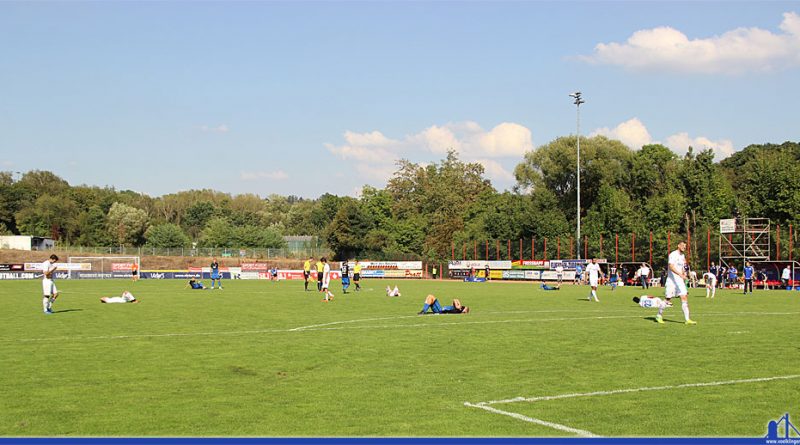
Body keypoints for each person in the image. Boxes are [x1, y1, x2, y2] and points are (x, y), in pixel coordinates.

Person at [666, 240, 696, 325]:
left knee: (684, 296)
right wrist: (680, 274)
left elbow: (683, 267)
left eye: (685, 246)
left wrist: (684, 273)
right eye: (683, 245)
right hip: (671, 280)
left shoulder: (682, 256)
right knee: (668, 299)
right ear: (678, 245)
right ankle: (659, 315)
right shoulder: (673, 254)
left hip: (679, 280)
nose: (684, 247)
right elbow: (671, 266)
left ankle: (687, 319)